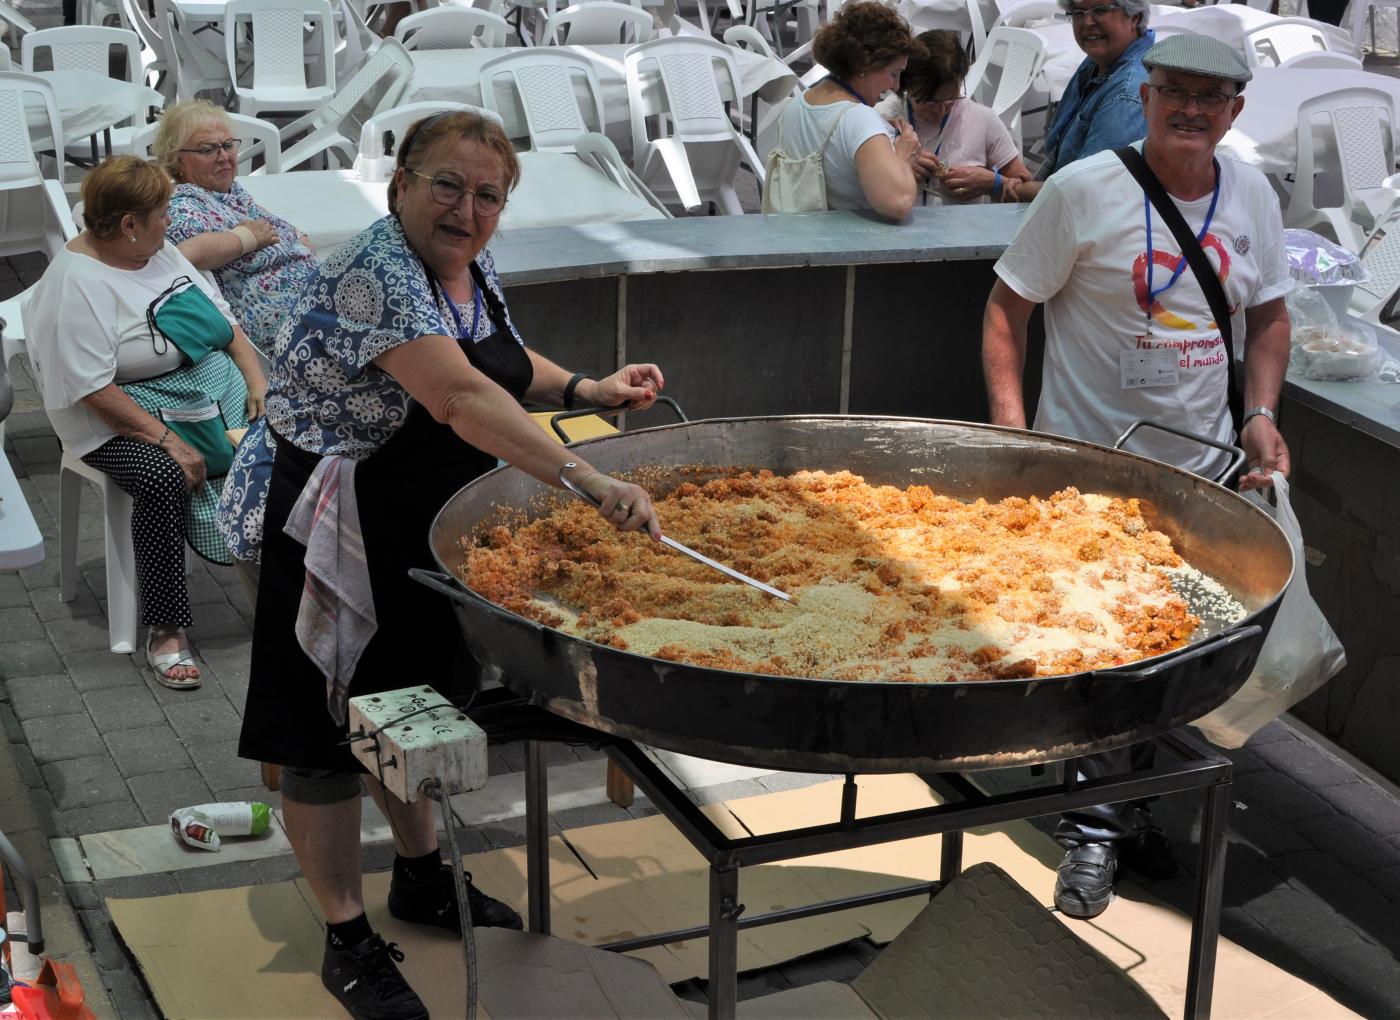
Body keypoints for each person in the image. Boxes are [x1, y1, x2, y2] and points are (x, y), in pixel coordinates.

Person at [218, 111, 667, 1020]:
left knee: (411, 705)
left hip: (417, 522)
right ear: (401, 187)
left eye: (488, 195)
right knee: (325, 733)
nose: (467, 210)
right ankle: (346, 939)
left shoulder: (462, 263)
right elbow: (458, 394)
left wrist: (585, 388)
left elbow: (495, 358)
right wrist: (586, 477)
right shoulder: (378, 271)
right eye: (447, 187)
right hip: (331, 521)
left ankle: (421, 876)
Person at [981, 35, 1291, 920]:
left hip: (1203, 473)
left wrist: (1260, 413)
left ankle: (1126, 808)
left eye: (1211, 97)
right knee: (1104, 652)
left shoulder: (1252, 194)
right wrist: (1012, 432)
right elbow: (1007, 308)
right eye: (1174, 91)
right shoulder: (1083, 190)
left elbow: (1270, 314)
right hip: (1088, 473)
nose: (1191, 109)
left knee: (1173, 652)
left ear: (1235, 112)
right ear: (1145, 98)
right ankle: (1094, 830)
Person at [25, 156, 267, 690]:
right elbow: (93, 389)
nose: (170, 222)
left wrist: (256, 382)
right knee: (162, 476)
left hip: (201, 392)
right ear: (129, 224)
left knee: (281, 445)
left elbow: (226, 325)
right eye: (162, 213)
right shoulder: (77, 284)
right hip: (110, 418)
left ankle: (284, 589)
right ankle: (166, 629)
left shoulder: (156, 251)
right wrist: (169, 441)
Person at [155, 100, 319, 356]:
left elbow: (268, 219)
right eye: (207, 149)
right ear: (178, 161)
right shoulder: (183, 206)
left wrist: (297, 236)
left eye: (228, 145)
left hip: (313, 302)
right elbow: (186, 255)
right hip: (290, 328)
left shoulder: (228, 191)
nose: (223, 156)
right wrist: (245, 238)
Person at [771, 1, 927, 218]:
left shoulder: (797, 104)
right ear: (864, 64)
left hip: (794, 231)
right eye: (893, 73)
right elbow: (898, 203)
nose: (896, 86)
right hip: (845, 238)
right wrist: (903, 156)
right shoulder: (859, 118)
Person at [1003, 0, 1155, 204]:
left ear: (1135, 18)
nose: (1087, 21)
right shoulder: (1101, 60)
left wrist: (999, 185)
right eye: (1077, 12)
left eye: (1101, 10)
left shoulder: (1127, 95)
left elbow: (1086, 193)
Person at [875, 30, 1032, 205]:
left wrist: (994, 184)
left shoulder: (983, 120)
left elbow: (1027, 190)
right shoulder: (881, 118)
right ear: (906, 86)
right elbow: (858, 187)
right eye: (928, 102)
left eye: (950, 100)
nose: (940, 110)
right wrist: (899, 167)